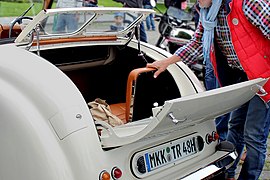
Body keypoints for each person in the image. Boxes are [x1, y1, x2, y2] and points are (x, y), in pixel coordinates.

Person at [147, 0, 270, 179]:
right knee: (235, 126)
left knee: (254, 135)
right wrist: (166, 62)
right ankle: (228, 172)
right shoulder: (208, 12)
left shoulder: (248, 3)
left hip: (264, 77)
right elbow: (197, 43)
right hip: (242, 78)